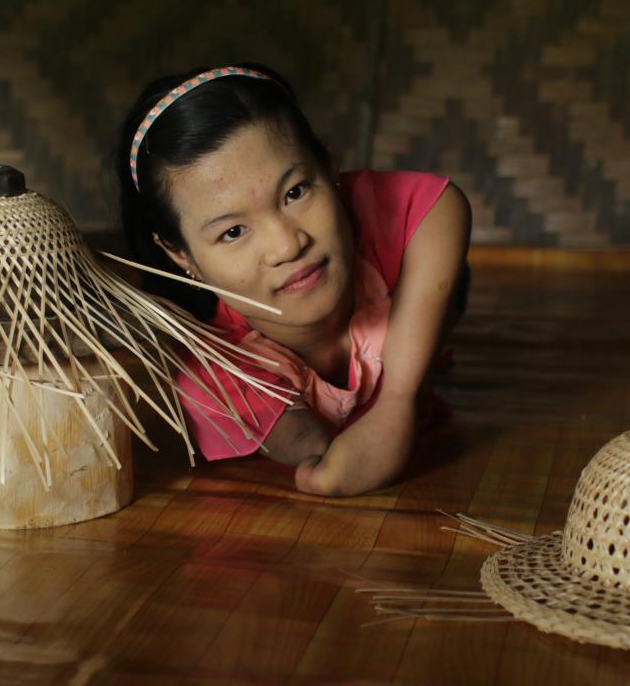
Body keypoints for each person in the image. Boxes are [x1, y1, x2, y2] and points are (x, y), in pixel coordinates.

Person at [114, 64, 471, 496]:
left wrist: (397, 400)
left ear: (329, 165)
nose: (287, 246)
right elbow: (329, 463)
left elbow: (442, 204)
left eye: (295, 192)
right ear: (180, 254)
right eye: (232, 232)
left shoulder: (378, 216)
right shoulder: (215, 373)